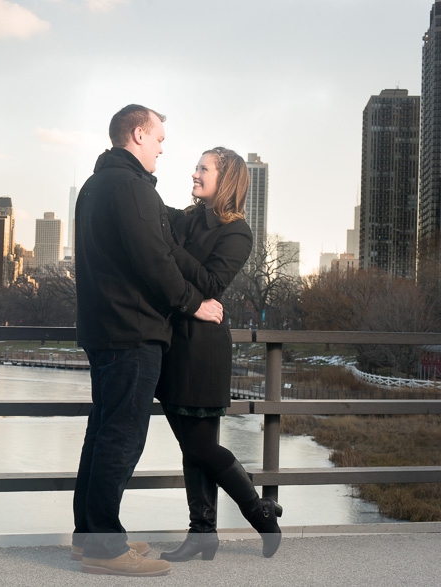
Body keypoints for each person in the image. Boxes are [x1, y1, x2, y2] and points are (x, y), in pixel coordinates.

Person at [71, 105, 224, 577]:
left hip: (104, 329)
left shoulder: (96, 186)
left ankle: (91, 536)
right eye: (158, 139)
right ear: (138, 134)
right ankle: (103, 548)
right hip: (132, 331)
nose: (162, 148)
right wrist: (192, 302)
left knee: (102, 433)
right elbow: (153, 259)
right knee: (122, 436)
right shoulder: (131, 186)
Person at [155, 147, 283, 562]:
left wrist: (172, 252)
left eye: (202, 168)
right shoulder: (187, 217)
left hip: (203, 349)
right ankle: (203, 532)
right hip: (174, 344)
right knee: (193, 446)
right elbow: (153, 213)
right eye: (195, 167)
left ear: (225, 179)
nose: (194, 174)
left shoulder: (237, 232)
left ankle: (260, 514)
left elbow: (211, 282)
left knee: (202, 447)